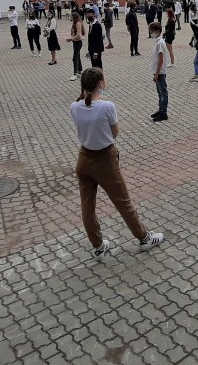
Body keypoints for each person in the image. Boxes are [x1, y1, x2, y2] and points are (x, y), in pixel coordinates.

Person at [70, 67, 164, 261]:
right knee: (123, 202)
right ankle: (144, 237)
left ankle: (98, 246)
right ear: (101, 84)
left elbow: (86, 109)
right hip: (104, 159)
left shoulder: (74, 106)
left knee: (87, 207)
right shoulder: (107, 106)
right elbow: (114, 133)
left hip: (83, 159)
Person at [149, 22, 169, 122]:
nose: (151, 33)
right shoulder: (157, 42)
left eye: (152, 31)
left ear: (157, 31)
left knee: (163, 92)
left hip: (160, 72)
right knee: (159, 92)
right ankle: (160, 110)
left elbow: (161, 60)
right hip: (157, 71)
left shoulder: (160, 43)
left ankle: (164, 112)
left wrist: (157, 74)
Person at [67, 11, 86, 81]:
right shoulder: (74, 23)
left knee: (75, 58)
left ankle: (75, 73)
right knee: (78, 56)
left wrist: (71, 39)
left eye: (71, 16)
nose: (70, 18)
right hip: (75, 42)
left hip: (78, 42)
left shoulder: (78, 23)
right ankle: (79, 71)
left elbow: (79, 35)